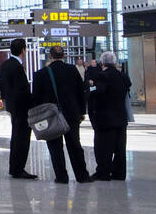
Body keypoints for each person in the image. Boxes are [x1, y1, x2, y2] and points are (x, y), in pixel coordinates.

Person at [31, 46, 91, 184]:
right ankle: (82, 176)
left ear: (50, 56)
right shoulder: (72, 70)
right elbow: (80, 92)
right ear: (63, 56)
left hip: (50, 116)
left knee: (55, 147)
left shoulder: (41, 74)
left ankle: (62, 177)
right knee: (74, 144)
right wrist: (82, 111)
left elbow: (36, 98)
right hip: (71, 114)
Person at [88, 51, 131, 181]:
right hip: (121, 117)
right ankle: (119, 173)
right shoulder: (123, 76)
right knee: (120, 148)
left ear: (102, 63)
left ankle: (104, 172)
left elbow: (99, 92)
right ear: (115, 62)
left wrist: (91, 88)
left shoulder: (102, 76)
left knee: (104, 147)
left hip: (105, 117)